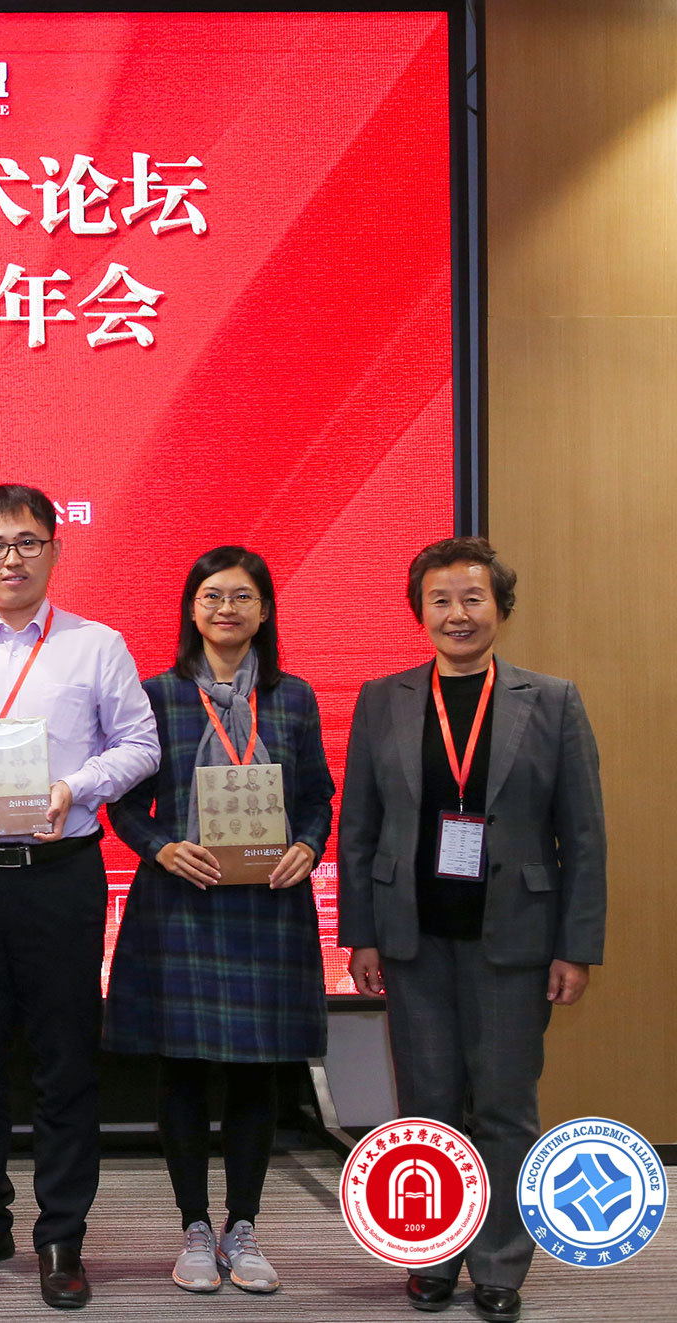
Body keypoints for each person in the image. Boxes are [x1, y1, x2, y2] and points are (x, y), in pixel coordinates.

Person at [339, 538, 606, 1323]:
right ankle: (432, 1253)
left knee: (504, 1107)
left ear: (500, 607)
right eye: (441, 600)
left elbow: (583, 837)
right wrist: (361, 934)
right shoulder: (383, 698)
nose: (458, 613)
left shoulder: (552, 701)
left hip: (515, 940)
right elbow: (359, 829)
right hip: (412, 936)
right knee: (424, 1107)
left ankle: (498, 1264)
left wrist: (576, 946)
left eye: (473, 597)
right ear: (420, 612)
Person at [0, 483, 160, 1311]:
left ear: (55, 549)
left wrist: (73, 787)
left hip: (60, 874)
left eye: (27, 542)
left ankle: (62, 1234)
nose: (11, 558)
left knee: (65, 1059)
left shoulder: (98, 645)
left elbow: (141, 743)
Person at [105, 547, 336, 1296]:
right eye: (211, 596)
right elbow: (122, 803)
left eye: (241, 597)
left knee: (256, 1072)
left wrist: (308, 845)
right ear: (191, 609)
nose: (226, 609)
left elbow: (317, 796)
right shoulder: (157, 695)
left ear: (264, 611)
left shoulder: (292, 698)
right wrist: (162, 847)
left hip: (268, 904)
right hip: (184, 903)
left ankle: (244, 1224)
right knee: (182, 1068)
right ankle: (194, 1226)